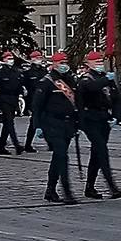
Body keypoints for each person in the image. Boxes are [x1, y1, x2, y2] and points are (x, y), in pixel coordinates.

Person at [76, 52, 121, 200]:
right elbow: (91, 88)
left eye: (100, 61)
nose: (99, 64)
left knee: (96, 154)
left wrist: (116, 116)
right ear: (88, 64)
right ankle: (112, 186)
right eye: (95, 62)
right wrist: (106, 79)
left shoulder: (105, 78)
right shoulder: (86, 78)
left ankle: (90, 187)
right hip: (90, 119)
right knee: (102, 150)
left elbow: (116, 97)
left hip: (104, 119)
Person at [37, 56, 80, 205]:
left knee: (58, 157)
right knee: (62, 156)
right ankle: (67, 192)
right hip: (52, 122)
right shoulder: (47, 82)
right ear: (54, 64)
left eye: (65, 63)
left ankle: (50, 189)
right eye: (61, 63)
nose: (64, 66)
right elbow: (37, 106)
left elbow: (76, 102)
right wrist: (38, 126)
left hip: (67, 123)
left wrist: (77, 123)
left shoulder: (70, 80)